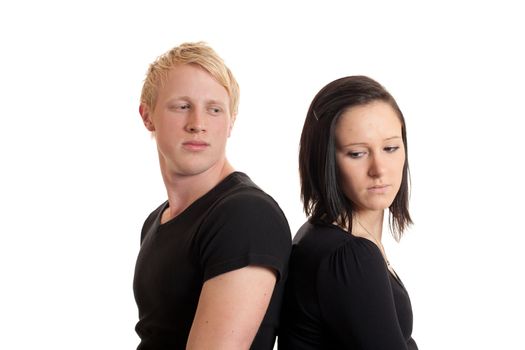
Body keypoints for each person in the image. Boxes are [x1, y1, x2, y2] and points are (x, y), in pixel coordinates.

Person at [133, 42, 291, 350]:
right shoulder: (158, 220)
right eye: (181, 106)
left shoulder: (245, 215)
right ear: (147, 116)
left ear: (231, 121)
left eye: (214, 109)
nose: (198, 124)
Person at [279, 76, 418, 349]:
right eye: (356, 153)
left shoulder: (319, 234)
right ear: (325, 160)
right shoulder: (348, 256)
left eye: (390, 148)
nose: (379, 168)